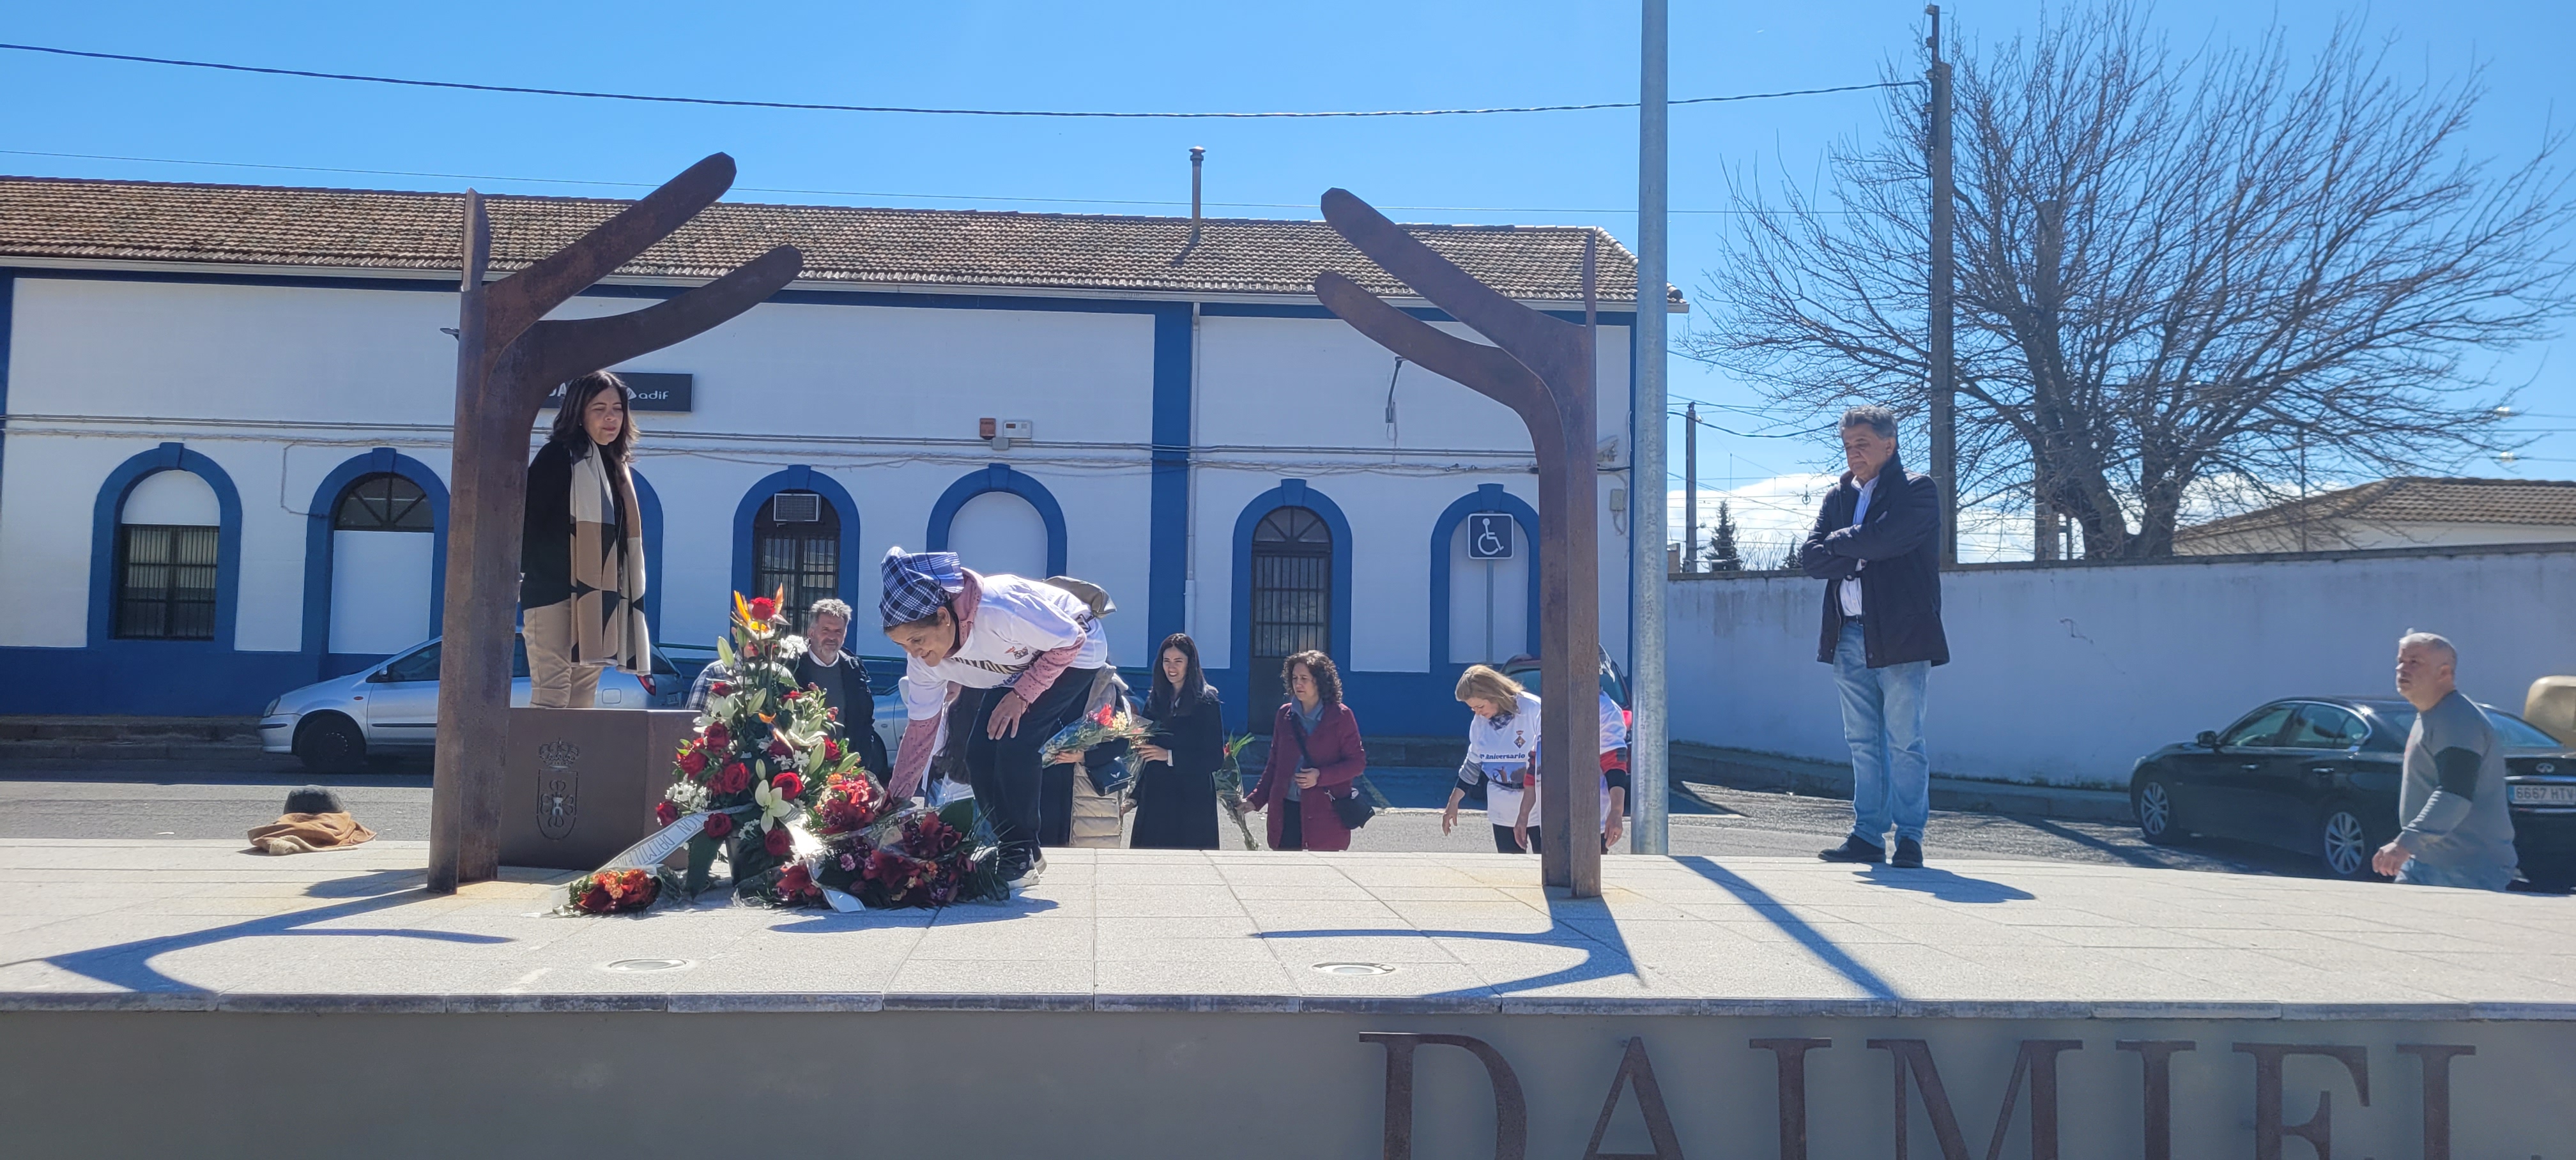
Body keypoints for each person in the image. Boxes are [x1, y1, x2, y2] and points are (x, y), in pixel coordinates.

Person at [881, 548, 1107, 881]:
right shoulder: (923, 660)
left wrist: (1022, 695)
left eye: (918, 640)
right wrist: (892, 806)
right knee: (978, 753)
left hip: (1075, 651)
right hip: (1019, 665)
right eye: (904, 646)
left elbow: (1070, 640)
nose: (915, 653)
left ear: (944, 617)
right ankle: (1018, 848)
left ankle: (1017, 853)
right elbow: (920, 734)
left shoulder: (999, 609)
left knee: (1017, 742)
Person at [1800, 404, 1947, 869]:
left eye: (1862, 443)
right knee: (1862, 741)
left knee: (1906, 740)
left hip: (1901, 637)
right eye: (1847, 445)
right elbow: (1810, 559)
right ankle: (1867, 835)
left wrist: (1845, 547)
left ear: (1890, 443)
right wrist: (1860, 548)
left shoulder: (1918, 491)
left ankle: (1910, 838)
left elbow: (1890, 538)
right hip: (1848, 636)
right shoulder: (1838, 496)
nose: (1853, 453)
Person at [520, 371, 650, 709]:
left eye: (618, 408)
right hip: (552, 594)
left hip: (600, 602)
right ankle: (537, 765)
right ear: (578, 413)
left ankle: (577, 765)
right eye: (599, 409)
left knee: (581, 701)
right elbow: (526, 523)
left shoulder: (616, 466)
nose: (611, 417)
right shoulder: (557, 457)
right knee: (552, 695)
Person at [2372, 632, 2520, 890]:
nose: (2401, 668)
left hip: (2467, 869)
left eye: (2414, 662)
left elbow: (2455, 793)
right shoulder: (2432, 715)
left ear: (2444, 673)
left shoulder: (2458, 721)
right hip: (2427, 862)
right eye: (2401, 660)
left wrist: (2405, 844)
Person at [1241, 650, 1366, 851]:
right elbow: (1274, 765)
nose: (1298, 684)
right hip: (1286, 811)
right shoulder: (1285, 715)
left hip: (1325, 815)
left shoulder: (1341, 716)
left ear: (1320, 682)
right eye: (1294, 678)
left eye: (1304, 679)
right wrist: (1254, 800)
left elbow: (1357, 763)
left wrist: (1320, 776)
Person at [1129, 633, 1224, 850]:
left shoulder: (1206, 702)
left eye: (1178, 661)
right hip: (1155, 797)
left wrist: (1170, 756)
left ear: (1190, 664)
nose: (1171, 668)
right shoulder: (1155, 700)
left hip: (1191, 802)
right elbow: (1146, 752)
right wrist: (1134, 796)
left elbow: (1214, 759)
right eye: (1166, 661)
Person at [789, 598, 890, 780]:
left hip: (844, 771)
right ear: (811, 632)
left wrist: (861, 763)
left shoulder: (854, 670)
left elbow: (865, 722)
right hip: (799, 770)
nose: (832, 637)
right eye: (825, 630)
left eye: (838, 631)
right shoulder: (792, 668)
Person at [1448, 665, 1542, 853]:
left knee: (1546, 866)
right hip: (1502, 807)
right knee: (1512, 869)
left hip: (1540, 804)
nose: (1477, 712)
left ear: (1495, 694)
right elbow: (1473, 763)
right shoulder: (1479, 724)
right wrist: (1454, 801)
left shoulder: (1533, 709)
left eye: (1480, 706)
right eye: (1472, 708)